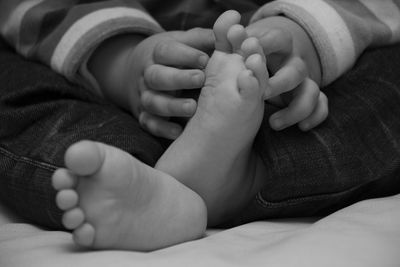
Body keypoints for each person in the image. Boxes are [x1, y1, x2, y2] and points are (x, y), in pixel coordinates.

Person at [1, 0, 400, 251]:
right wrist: (121, 62)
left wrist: (303, 41)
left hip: (295, 87)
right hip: (108, 78)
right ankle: (146, 176)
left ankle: (224, 181)